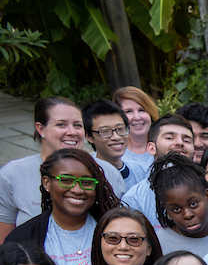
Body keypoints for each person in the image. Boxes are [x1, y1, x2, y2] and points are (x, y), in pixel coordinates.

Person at [0, 100, 126, 240]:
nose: (72, 132)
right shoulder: (12, 174)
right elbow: (5, 243)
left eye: (78, 125)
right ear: (41, 129)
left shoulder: (106, 172)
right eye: (61, 124)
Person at [5, 149, 121, 265]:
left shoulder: (116, 228)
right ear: (47, 182)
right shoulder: (23, 238)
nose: (77, 190)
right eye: (66, 180)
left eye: (87, 182)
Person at [149, 153, 208, 257]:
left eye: (193, 204)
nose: (187, 215)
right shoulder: (158, 244)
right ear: (166, 209)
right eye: (176, 209)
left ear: (207, 196)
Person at [119, 117, 196, 222]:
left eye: (186, 140)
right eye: (169, 138)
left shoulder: (206, 189)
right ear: (151, 148)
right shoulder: (134, 198)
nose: (180, 142)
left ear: (194, 153)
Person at [82, 100, 137, 186]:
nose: (116, 137)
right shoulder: (86, 176)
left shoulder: (141, 171)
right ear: (89, 136)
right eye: (105, 131)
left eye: (120, 129)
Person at [113, 86, 158, 178]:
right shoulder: (114, 154)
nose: (137, 117)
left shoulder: (164, 148)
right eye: (128, 111)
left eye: (141, 110)